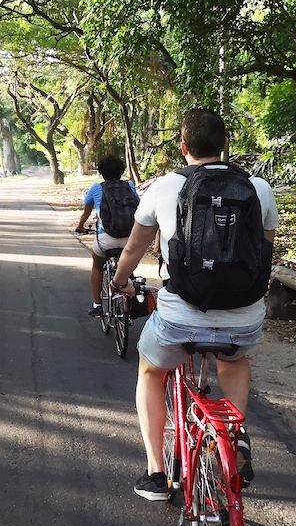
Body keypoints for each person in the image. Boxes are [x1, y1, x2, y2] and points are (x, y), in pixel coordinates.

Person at [109, 109, 278, 501]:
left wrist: (120, 283)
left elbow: (134, 247)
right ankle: (234, 440)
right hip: (244, 318)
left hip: (179, 318)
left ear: (183, 147)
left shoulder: (163, 188)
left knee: (150, 371)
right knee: (233, 360)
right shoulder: (258, 188)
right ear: (225, 146)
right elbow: (263, 252)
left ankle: (156, 473)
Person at [74, 156, 138, 318]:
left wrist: (80, 227)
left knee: (97, 265)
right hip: (129, 240)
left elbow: (86, 212)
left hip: (106, 240)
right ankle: (128, 302)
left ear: (101, 172)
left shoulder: (96, 188)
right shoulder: (129, 186)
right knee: (128, 265)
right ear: (121, 171)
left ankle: (97, 305)